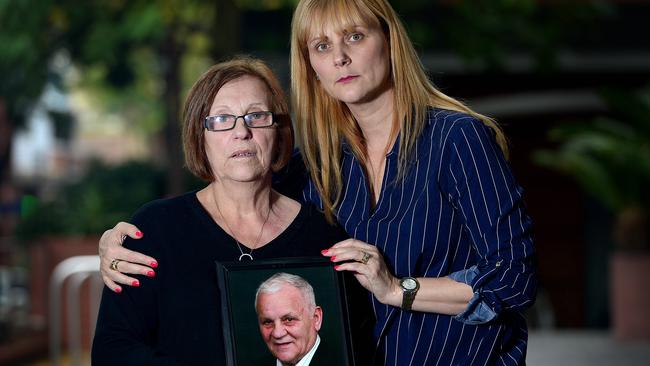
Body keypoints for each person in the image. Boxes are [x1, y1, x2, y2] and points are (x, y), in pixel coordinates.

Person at [98, 0, 537, 364]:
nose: (339, 58)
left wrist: (397, 288)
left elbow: (515, 280)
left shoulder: (456, 139)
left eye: (355, 37)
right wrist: (118, 243)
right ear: (311, 66)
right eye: (322, 45)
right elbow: (238, 201)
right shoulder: (316, 167)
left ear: (389, 40)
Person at [91, 57, 361, 365]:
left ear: (278, 131)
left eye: (256, 116)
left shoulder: (323, 237)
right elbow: (112, 351)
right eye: (221, 119)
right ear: (199, 136)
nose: (241, 132)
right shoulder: (155, 230)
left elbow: (354, 348)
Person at [255, 273, 326, 366]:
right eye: (268, 322)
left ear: (316, 318)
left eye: (289, 319)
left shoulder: (348, 358)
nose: (277, 333)